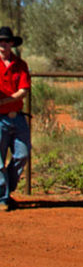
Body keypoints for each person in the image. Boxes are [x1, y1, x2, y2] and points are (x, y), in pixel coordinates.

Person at [0, 27, 31, 211]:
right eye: (0, 41)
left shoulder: (20, 64)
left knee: (22, 154)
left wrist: (5, 101)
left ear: (12, 43)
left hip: (17, 118)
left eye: (6, 41)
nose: (2, 44)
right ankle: (2, 197)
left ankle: (6, 190)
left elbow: (24, 90)